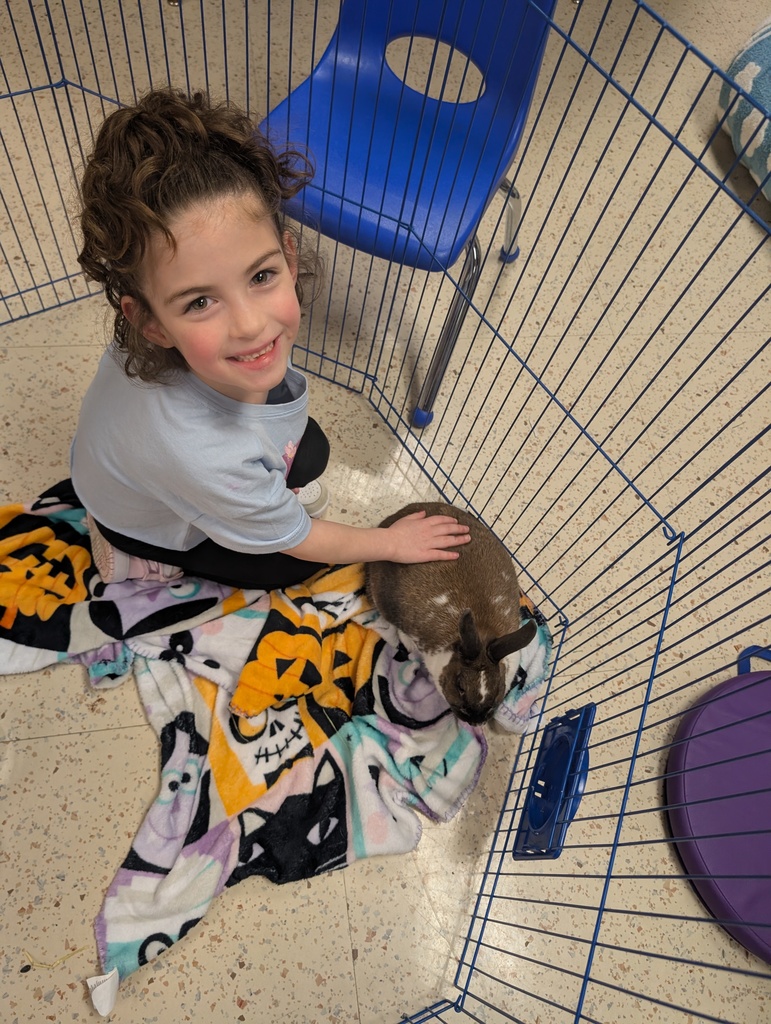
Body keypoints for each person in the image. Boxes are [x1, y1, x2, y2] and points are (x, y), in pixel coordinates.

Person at [70, 88, 470, 590]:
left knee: (311, 450)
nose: (251, 325)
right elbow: (298, 537)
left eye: (260, 276)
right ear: (150, 322)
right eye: (199, 302)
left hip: (129, 467)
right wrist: (390, 542)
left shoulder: (167, 345)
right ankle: (130, 551)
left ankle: (228, 507)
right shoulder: (203, 453)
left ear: (288, 256)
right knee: (296, 563)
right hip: (139, 519)